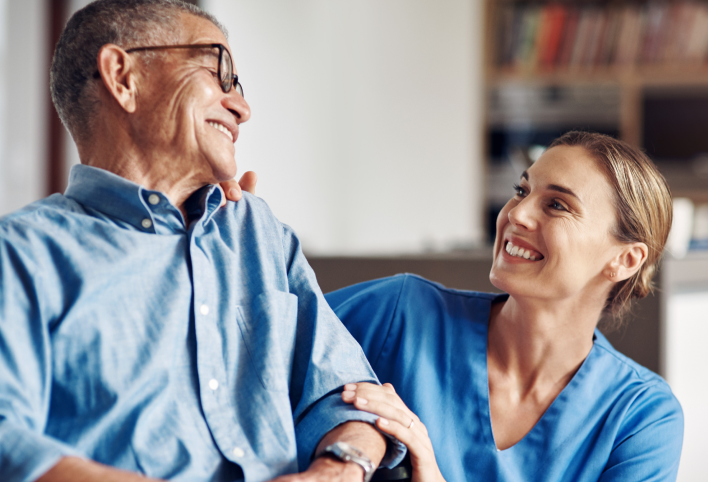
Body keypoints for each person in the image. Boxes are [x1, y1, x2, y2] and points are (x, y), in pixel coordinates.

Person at [0, 1, 405, 481]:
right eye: (219, 72)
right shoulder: (22, 253)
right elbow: (10, 441)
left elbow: (350, 397)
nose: (242, 107)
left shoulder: (258, 233)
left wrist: (337, 469)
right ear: (123, 77)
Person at [322, 132, 684, 481]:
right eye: (521, 191)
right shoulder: (399, 314)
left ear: (625, 259)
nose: (517, 214)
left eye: (557, 205)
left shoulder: (641, 416)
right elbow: (275, 334)